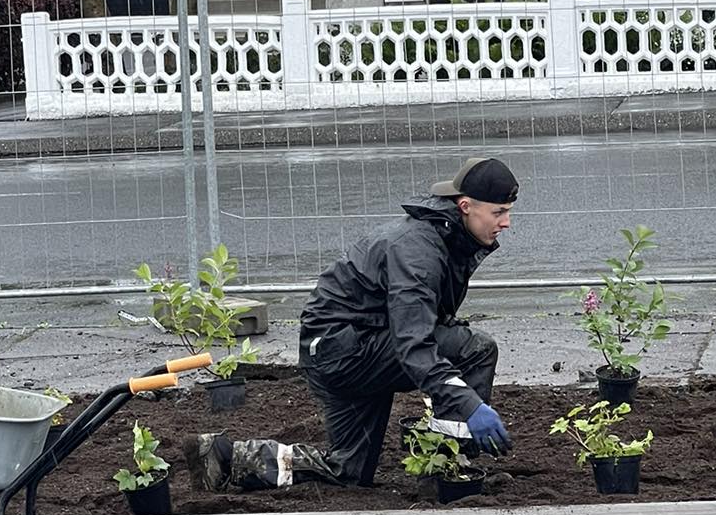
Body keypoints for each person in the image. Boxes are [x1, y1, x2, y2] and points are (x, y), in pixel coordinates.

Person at [186, 154, 516, 492]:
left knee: (348, 472)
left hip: (341, 347)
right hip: (347, 353)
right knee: (476, 348)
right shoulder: (418, 251)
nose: (506, 223)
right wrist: (470, 405)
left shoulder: (444, 238)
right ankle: (446, 471)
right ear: (464, 206)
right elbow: (414, 344)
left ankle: (227, 457)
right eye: (499, 212)